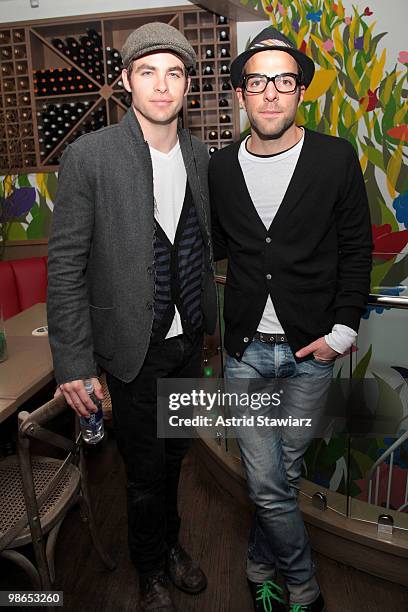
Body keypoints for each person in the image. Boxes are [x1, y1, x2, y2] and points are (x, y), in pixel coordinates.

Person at [47, 22, 217, 612]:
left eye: (174, 73)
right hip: (130, 348)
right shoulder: (90, 156)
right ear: (125, 81)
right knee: (142, 469)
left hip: (186, 341)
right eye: (148, 72)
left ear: (188, 86)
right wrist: (73, 361)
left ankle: (169, 546)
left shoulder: (198, 154)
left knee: (176, 456)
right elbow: (66, 264)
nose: (162, 85)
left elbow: (199, 241)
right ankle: (150, 571)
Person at [209, 26, 372, 612]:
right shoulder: (221, 169)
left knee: (280, 474)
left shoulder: (334, 157)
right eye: (258, 82)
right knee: (266, 480)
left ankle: (258, 563)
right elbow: (219, 245)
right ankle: (303, 586)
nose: (271, 93)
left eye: (283, 80)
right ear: (242, 94)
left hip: (311, 353)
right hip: (246, 353)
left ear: (300, 90)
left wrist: (343, 331)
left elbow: (357, 248)